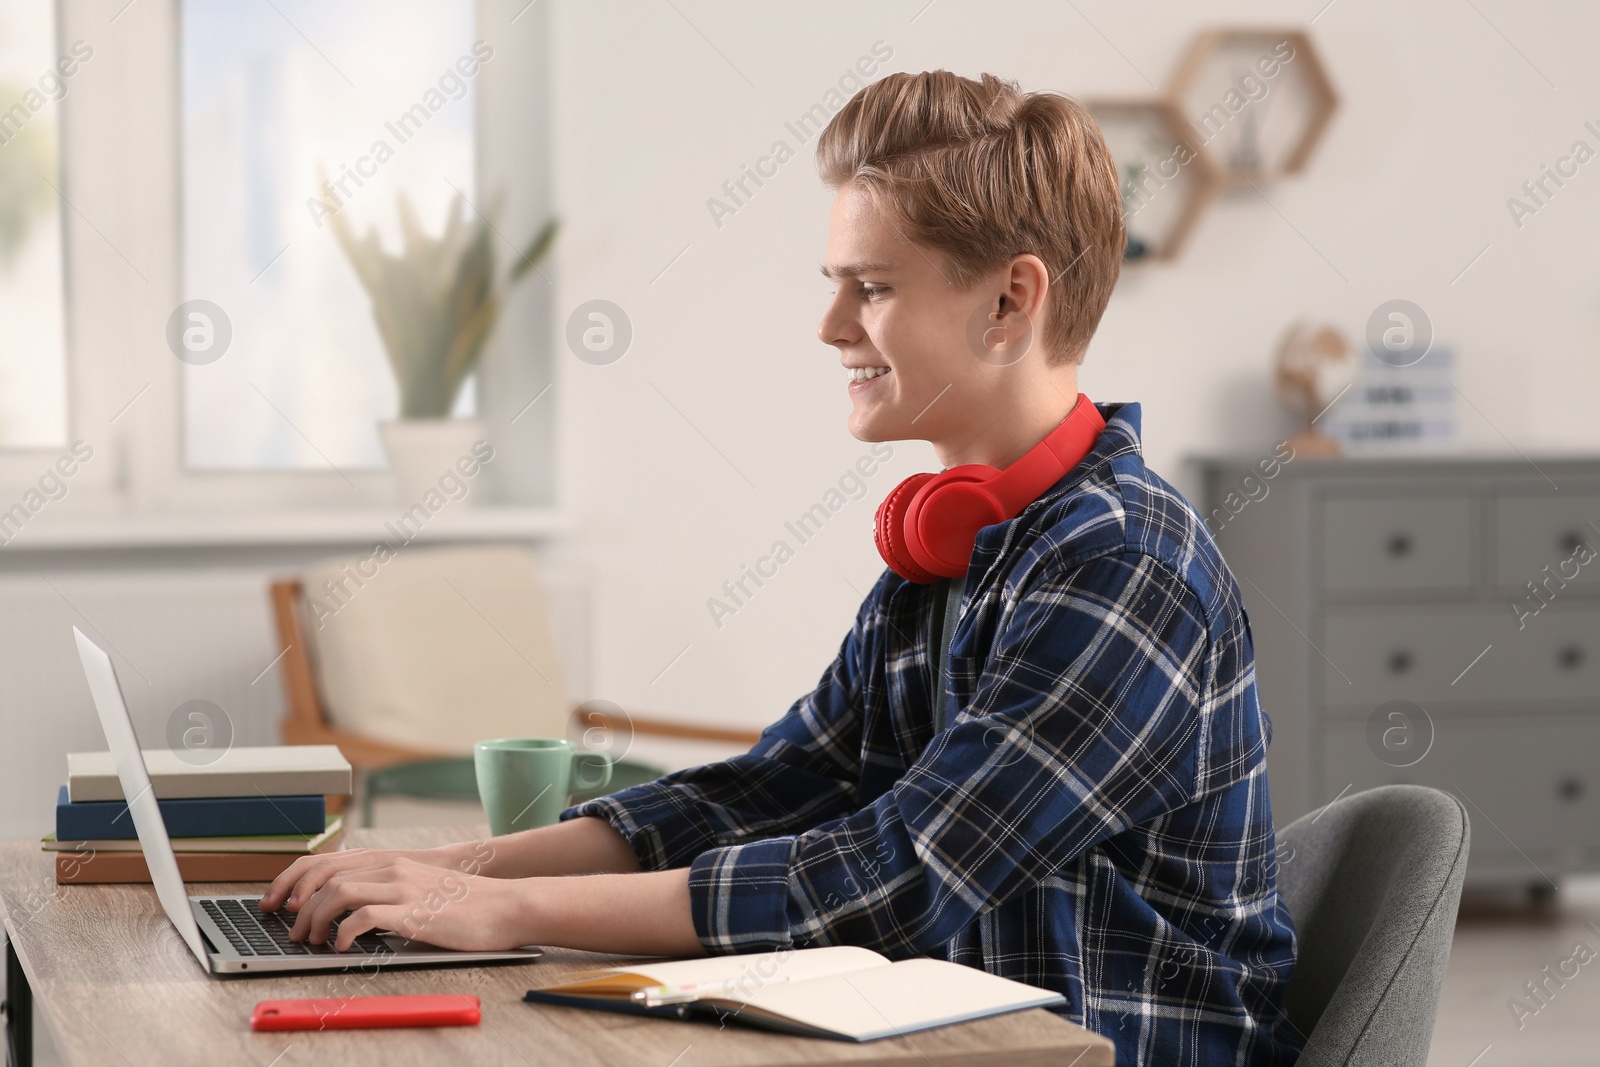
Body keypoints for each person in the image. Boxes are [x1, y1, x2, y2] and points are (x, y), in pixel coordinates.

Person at [262, 70, 1303, 1065]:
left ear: (1008, 302)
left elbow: (901, 874)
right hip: (947, 1031)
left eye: (873, 287)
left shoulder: (1120, 562)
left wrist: (503, 908)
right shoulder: (946, 545)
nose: (830, 325)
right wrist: (447, 870)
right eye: (833, 284)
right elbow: (771, 788)